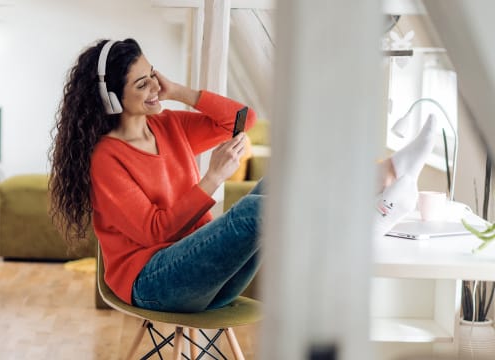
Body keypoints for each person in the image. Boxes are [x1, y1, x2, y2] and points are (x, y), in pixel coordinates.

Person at [49, 38, 436, 313]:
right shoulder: (106, 158)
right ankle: (360, 227)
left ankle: (389, 174)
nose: (154, 86)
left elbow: (241, 120)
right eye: (142, 83)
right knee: (255, 213)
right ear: (111, 98)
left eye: (153, 74)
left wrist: (181, 91)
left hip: (209, 279)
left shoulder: (168, 125)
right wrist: (213, 177)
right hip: (154, 285)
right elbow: (155, 232)